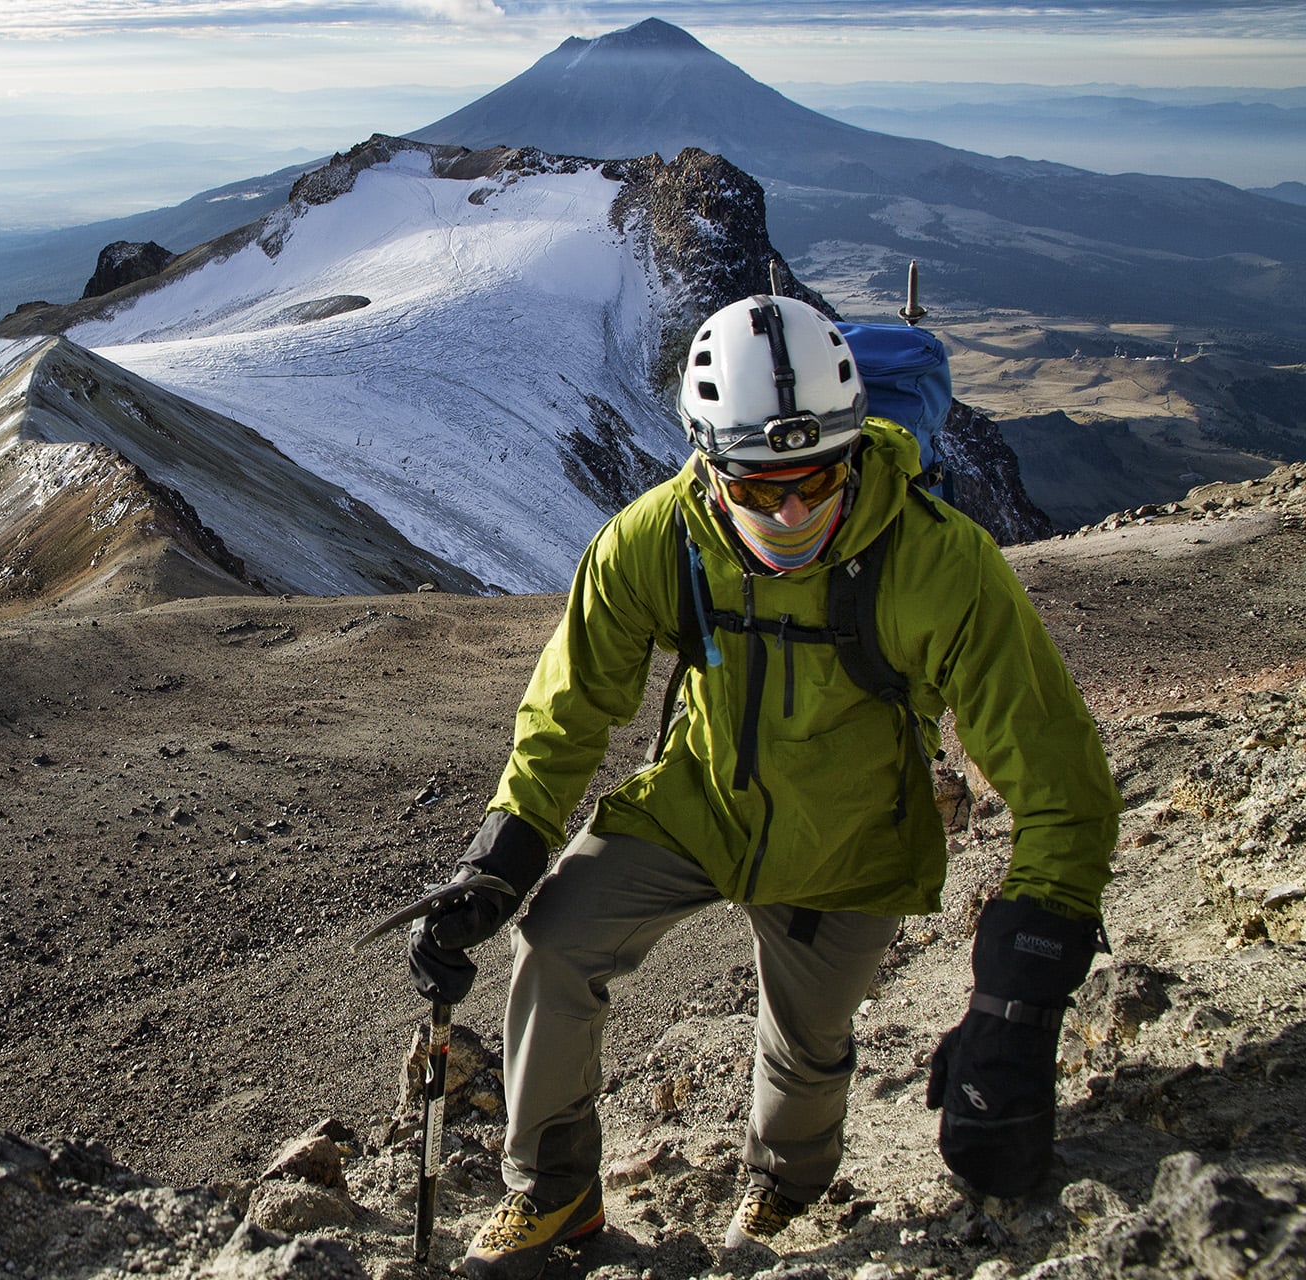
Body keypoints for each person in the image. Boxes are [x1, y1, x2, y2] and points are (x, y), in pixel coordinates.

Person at [407, 294, 1118, 1280]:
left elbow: (1057, 775)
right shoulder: (656, 538)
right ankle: (554, 1188)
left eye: (817, 476)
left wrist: (1019, 997)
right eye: (759, 484)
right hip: (700, 804)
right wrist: (499, 857)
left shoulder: (941, 562)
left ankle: (787, 1182)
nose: (792, 510)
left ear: (854, 447)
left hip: (854, 837)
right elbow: (569, 709)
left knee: (806, 1044)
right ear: (708, 463)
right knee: (556, 938)